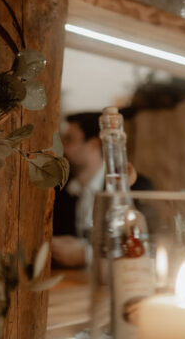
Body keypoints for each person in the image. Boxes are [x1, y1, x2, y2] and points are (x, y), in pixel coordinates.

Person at [52, 110, 152, 267]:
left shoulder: (136, 187)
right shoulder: (60, 190)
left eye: (69, 140)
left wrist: (87, 255)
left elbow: (149, 244)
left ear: (93, 145)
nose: (62, 147)